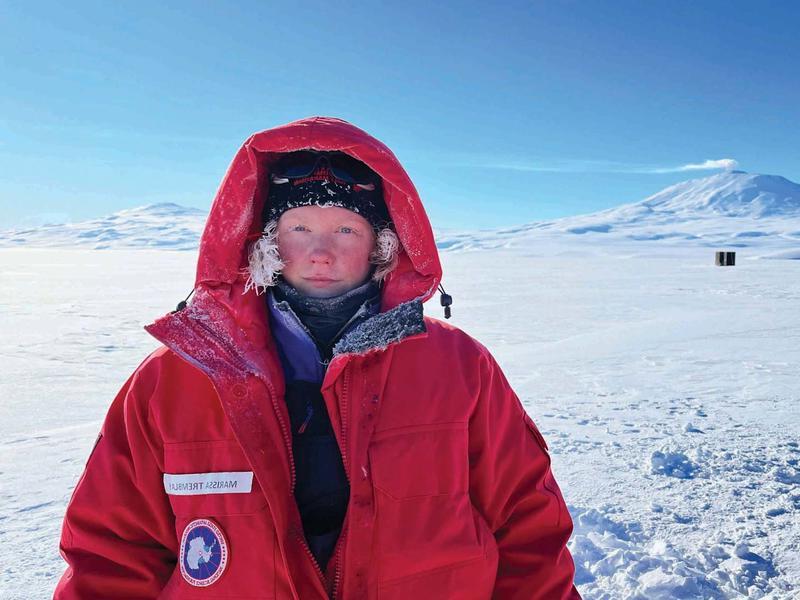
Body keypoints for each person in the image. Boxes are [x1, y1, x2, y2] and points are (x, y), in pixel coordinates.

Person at [54, 116, 580, 599]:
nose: (320, 252)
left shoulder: (459, 366)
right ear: (264, 241)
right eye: (300, 228)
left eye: (346, 230)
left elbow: (526, 527)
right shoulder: (178, 378)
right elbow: (112, 555)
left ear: (383, 244)